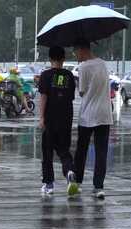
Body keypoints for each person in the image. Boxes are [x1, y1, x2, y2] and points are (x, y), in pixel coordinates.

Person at [73, 38, 113, 199]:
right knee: (101, 151)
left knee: (81, 151)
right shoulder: (103, 64)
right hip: (104, 114)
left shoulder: (83, 67)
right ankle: (99, 187)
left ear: (82, 50)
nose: (75, 55)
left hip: (88, 115)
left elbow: (82, 91)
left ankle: (78, 183)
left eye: (75, 51)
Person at [38, 46, 79, 196]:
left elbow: (43, 97)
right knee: (64, 150)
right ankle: (69, 172)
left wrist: (41, 117)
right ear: (64, 59)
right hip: (66, 118)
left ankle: (49, 185)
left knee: (47, 152)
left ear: (50, 59)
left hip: (50, 119)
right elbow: (70, 97)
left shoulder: (45, 75)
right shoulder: (69, 75)